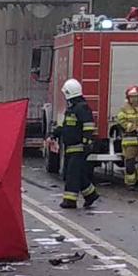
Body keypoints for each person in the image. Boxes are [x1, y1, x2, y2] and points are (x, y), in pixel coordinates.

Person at [57, 78, 99, 209]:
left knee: (72, 175)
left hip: (79, 148)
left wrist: (86, 142)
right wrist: (54, 134)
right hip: (70, 148)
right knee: (77, 174)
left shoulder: (82, 108)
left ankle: (70, 201)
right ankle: (91, 195)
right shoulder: (72, 109)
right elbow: (66, 127)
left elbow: (88, 126)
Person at [115, 85, 138, 188]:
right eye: (132, 97)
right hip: (129, 140)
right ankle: (130, 183)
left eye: (136, 96)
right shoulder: (123, 109)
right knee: (130, 164)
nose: (134, 99)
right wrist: (134, 128)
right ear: (128, 97)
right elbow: (121, 121)